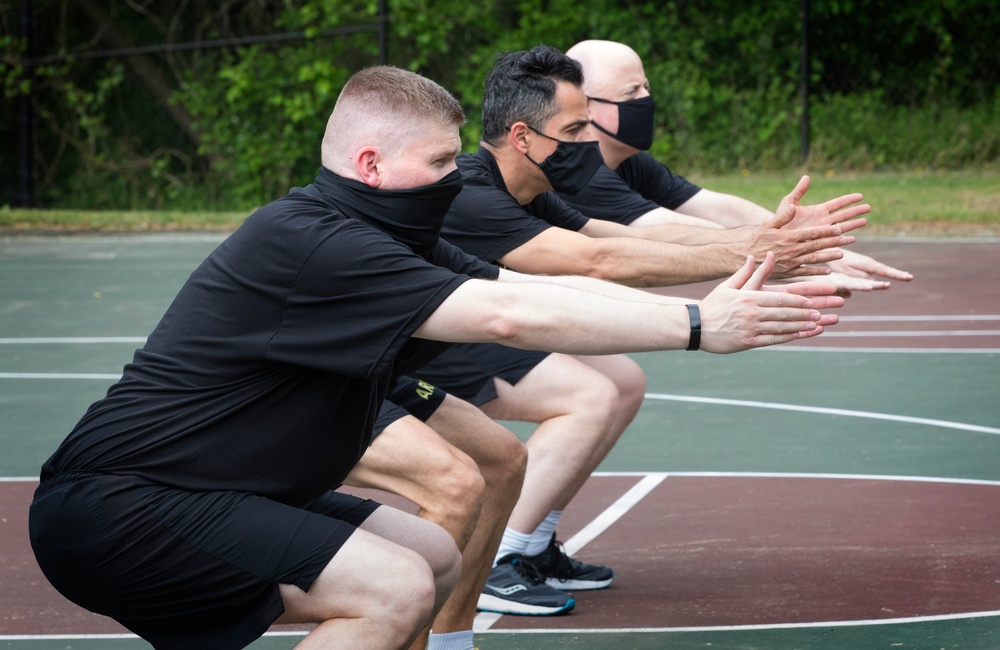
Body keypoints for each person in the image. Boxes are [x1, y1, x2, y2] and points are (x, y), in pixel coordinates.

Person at [28, 64, 845, 650]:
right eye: (439, 162)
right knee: (392, 588)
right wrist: (701, 325)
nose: (457, 177)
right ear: (370, 165)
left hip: (214, 492)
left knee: (430, 555)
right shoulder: (311, 240)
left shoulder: (390, 237)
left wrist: (714, 298)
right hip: (122, 506)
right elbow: (510, 313)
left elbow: (552, 292)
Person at [407, 45, 870, 620]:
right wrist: (730, 284)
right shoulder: (472, 196)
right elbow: (596, 264)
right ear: (523, 137)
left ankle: (531, 544)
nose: (587, 141)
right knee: (586, 396)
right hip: (416, 342)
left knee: (620, 379)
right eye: (575, 128)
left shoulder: (531, 186)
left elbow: (622, 241)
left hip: (472, 320)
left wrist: (768, 242)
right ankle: (499, 561)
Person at [562, 39, 914, 293]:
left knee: (622, 386)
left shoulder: (628, 161)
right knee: (606, 391)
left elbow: (712, 205)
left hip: (547, 305)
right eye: (631, 92)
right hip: (514, 309)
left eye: (647, 86)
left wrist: (802, 241)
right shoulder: (577, 171)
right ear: (586, 106)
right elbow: (667, 230)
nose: (647, 99)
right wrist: (786, 255)